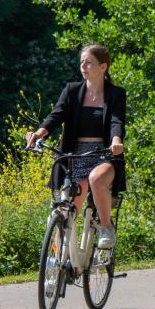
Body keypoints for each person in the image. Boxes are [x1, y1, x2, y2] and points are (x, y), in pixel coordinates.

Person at [25, 43, 126, 249]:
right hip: (74, 154)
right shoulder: (72, 90)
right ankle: (56, 260)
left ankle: (106, 227)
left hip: (103, 153)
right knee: (66, 211)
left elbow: (117, 121)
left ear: (103, 66)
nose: (83, 66)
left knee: (96, 179)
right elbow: (56, 114)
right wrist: (39, 133)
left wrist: (116, 141)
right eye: (81, 62)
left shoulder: (116, 94)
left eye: (88, 62)